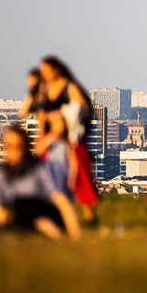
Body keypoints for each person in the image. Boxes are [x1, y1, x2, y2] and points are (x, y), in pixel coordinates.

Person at [0, 125, 81, 239]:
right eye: (9, 146)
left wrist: (75, 233)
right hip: (22, 221)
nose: (14, 150)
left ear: (25, 147)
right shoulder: (4, 174)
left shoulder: (38, 167)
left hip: (47, 216)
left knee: (23, 204)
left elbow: (60, 200)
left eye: (18, 146)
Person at [37, 56, 98, 223]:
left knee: (80, 167)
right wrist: (41, 137)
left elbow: (83, 109)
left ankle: (88, 211)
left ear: (56, 70)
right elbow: (41, 115)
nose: (44, 74)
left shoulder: (69, 87)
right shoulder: (44, 88)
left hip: (71, 138)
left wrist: (63, 115)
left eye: (47, 71)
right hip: (52, 137)